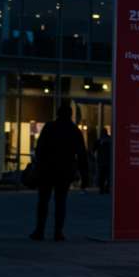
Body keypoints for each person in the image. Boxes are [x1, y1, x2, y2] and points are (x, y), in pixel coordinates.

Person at [30, 102, 89, 241]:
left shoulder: (49, 127)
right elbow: (81, 154)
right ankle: (58, 232)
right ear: (71, 115)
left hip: (47, 170)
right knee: (60, 201)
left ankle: (40, 231)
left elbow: (40, 149)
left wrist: (39, 164)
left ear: (57, 113)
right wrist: (84, 174)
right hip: (65, 171)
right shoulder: (74, 130)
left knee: (43, 201)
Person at [95, 128, 112, 194]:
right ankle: (106, 188)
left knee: (102, 176)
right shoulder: (109, 140)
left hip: (102, 161)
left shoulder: (99, 141)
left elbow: (94, 149)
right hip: (107, 161)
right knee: (107, 176)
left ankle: (102, 188)